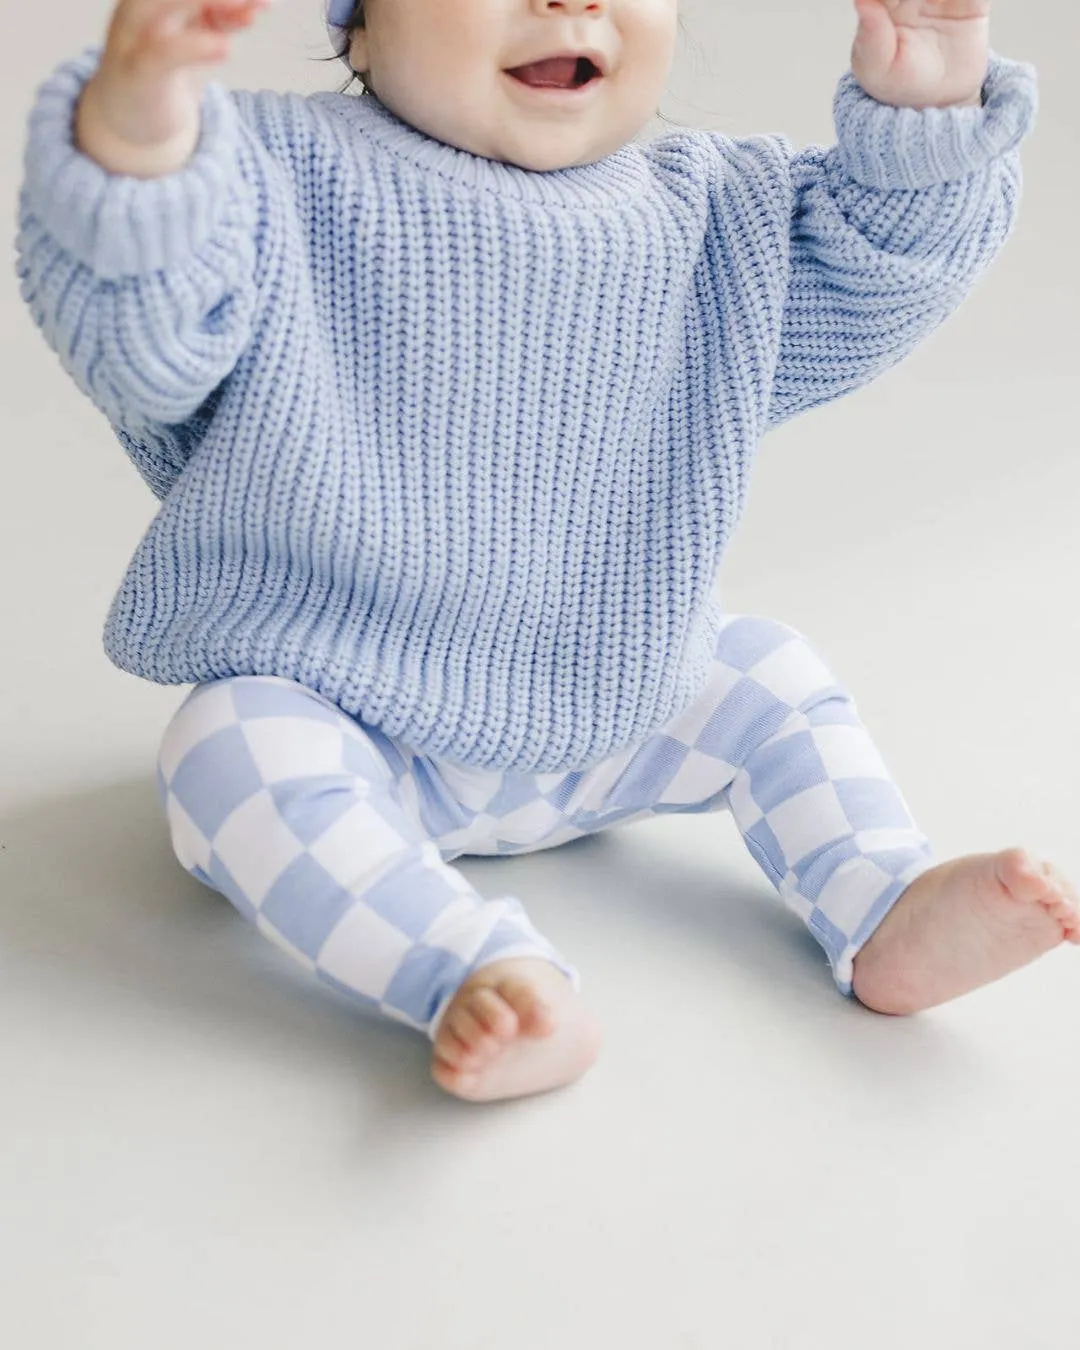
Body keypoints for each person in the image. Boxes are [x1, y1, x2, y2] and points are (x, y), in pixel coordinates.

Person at [15, 0, 1077, 1104]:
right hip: (348, 707)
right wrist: (137, 146)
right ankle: (472, 965)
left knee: (770, 676)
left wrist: (930, 95)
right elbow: (142, 341)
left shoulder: (716, 215)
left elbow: (880, 267)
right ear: (360, 26)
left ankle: (881, 897)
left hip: (621, 700)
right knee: (227, 747)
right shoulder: (268, 181)